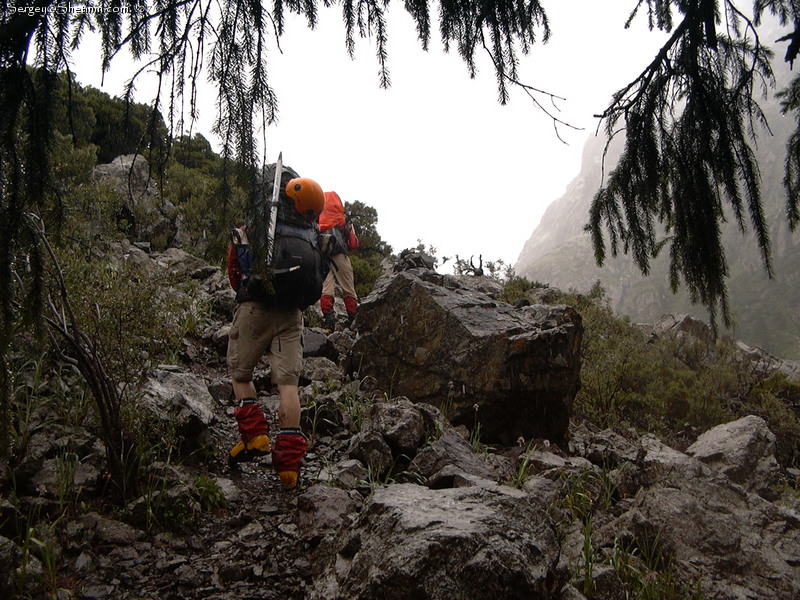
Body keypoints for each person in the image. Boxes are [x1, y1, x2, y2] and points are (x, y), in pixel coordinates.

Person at [226, 165, 326, 490]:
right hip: (292, 312)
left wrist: (244, 291)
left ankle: (255, 437)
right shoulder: (310, 229)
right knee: (288, 385)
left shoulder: (259, 220)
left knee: (241, 374)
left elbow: (234, 265)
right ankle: (288, 468)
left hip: (256, 304)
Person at [319, 190, 359, 330]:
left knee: (326, 289)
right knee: (348, 289)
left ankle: (329, 322)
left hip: (322, 256)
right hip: (340, 254)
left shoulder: (317, 218)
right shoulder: (342, 219)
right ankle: (353, 322)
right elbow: (354, 243)